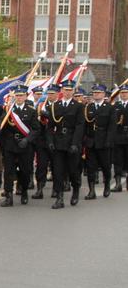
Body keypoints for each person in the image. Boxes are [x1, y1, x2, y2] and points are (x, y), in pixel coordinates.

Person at [44, 80, 85, 208]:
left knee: (73, 171)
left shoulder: (78, 106)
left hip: (72, 142)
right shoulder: (55, 106)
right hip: (58, 142)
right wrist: (50, 141)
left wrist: (75, 143)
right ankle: (59, 198)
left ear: (73, 91)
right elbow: (50, 127)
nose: (67, 92)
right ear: (61, 91)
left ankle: (76, 190)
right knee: (58, 171)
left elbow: (80, 126)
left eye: (70, 90)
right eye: (66, 90)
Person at [0, 85, 40, 207]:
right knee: (8, 171)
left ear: (26, 96)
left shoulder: (31, 111)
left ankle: (24, 191)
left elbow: (36, 129)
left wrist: (27, 140)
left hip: (25, 146)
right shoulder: (8, 110)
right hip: (10, 145)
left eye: (21, 95)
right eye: (17, 95)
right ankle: (9, 196)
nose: (19, 97)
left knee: (25, 171)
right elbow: (1, 123)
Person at [83, 84, 116, 199]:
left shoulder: (110, 108)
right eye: (94, 92)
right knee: (90, 167)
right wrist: (84, 140)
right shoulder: (88, 107)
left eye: (98, 92)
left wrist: (109, 141)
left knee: (105, 166)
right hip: (91, 141)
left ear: (103, 94)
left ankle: (107, 185)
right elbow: (85, 125)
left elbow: (112, 127)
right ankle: (91, 191)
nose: (96, 94)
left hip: (104, 141)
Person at [112, 84, 128, 192]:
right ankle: (118, 184)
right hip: (118, 136)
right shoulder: (115, 106)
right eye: (122, 93)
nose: (124, 94)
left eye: (126, 92)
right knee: (117, 161)